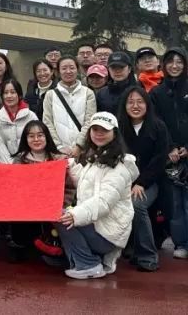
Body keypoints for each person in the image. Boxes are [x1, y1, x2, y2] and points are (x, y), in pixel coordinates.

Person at [58, 111, 139, 279]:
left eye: (104, 130)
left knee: (61, 218)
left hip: (107, 235)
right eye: (95, 129)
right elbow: (86, 184)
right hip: (98, 226)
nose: (99, 134)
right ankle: (85, 260)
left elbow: (103, 202)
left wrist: (74, 215)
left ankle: (88, 264)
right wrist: (70, 165)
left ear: (114, 133)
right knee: (62, 215)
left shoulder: (119, 167)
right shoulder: (98, 156)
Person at [150, 48, 188, 263]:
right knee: (174, 201)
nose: (174, 66)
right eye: (170, 62)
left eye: (179, 62)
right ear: (163, 65)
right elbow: (156, 123)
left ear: (185, 65)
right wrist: (171, 147)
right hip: (170, 155)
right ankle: (181, 242)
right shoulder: (156, 92)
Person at [118, 86, 169, 271]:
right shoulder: (118, 128)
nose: (135, 106)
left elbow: (159, 160)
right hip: (123, 181)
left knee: (137, 204)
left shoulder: (158, 126)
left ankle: (148, 255)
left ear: (147, 104)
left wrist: (141, 183)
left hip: (150, 182)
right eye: (130, 102)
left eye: (140, 102)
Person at [9, 120, 64, 259]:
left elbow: (68, 187)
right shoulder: (19, 160)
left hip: (53, 205)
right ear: (25, 139)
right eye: (31, 136)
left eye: (40, 135)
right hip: (27, 205)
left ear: (46, 137)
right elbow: (14, 187)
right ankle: (20, 245)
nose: (36, 139)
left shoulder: (59, 159)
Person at [43, 56, 97, 158]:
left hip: (83, 151)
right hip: (59, 152)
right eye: (64, 68)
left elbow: (89, 121)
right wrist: (59, 147)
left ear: (77, 70)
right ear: (58, 72)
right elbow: (47, 122)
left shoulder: (88, 93)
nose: (68, 71)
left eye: (72, 68)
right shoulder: (50, 95)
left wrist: (79, 145)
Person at [0, 79, 37, 164]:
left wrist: (26, 161)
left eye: (13, 92)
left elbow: (36, 140)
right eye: (6, 93)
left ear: (19, 95)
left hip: (30, 163)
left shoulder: (30, 116)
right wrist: (11, 165)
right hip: (9, 166)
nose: (9, 96)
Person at [96, 51, 138, 118]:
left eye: (121, 67)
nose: (117, 71)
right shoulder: (101, 93)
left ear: (129, 69)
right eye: (113, 68)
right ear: (108, 69)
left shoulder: (139, 91)